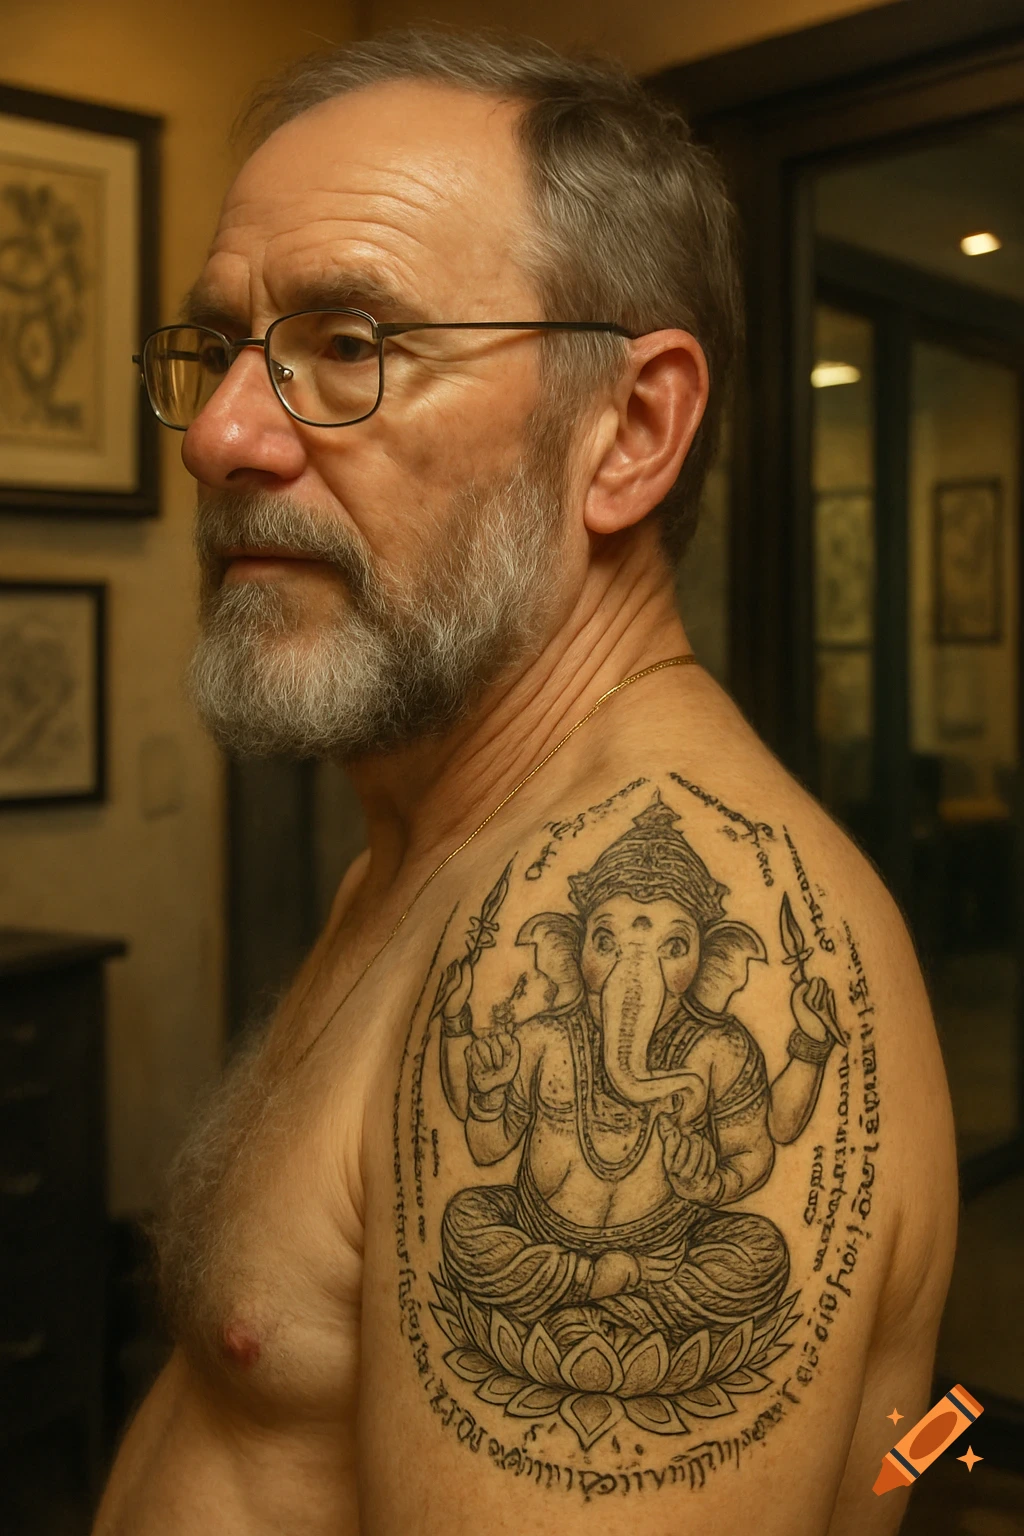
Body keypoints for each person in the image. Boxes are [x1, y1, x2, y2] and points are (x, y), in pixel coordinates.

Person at [94, 28, 957, 1536]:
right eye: (220, 349)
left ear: (628, 433)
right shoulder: (429, 850)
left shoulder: (622, 887)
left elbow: (898, 1422)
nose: (225, 435)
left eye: (350, 345)